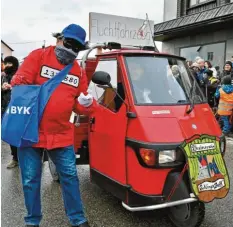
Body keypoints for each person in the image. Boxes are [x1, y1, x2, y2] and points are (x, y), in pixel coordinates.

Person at [10, 24, 93, 227]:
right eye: (69, 43)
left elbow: (80, 106)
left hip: (61, 133)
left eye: (77, 48)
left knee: (70, 177)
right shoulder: (37, 56)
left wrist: (86, 105)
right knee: (30, 180)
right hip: (31, 131)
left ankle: (78, 219)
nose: (71, 50)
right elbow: (19, 85)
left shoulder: (78, 72)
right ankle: (32, 221)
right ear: (59, 38)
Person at [1, 56, 19, 168]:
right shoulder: (3, 76)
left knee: (20, 134)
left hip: (18, 110)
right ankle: (15, 158)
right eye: (5, 63)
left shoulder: (20, 75)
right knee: (10, 134)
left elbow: (26, 90)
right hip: (5, 109)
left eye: (9, 63)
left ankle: (26, 158)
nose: (7, 65)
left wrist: (13, 87)